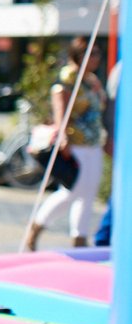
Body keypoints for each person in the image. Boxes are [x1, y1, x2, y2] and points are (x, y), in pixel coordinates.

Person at [25, 37, 107, 250]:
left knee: (88, 192)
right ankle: (37, 226)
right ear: (79, 55)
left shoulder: (91, 79)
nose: (96, 58)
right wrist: (63, 136)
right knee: (74, 190)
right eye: (92, 54)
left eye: (98, 53)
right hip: (76, 141)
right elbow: (60, 105)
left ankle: (80, 238)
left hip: (93, 142)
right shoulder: (69, 77)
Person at [93, 60, 120, 247]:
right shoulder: (124, 68)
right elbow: (111, 106)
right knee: (122, 191)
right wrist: (110, 137)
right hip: (125, 142)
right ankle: (103, 241)